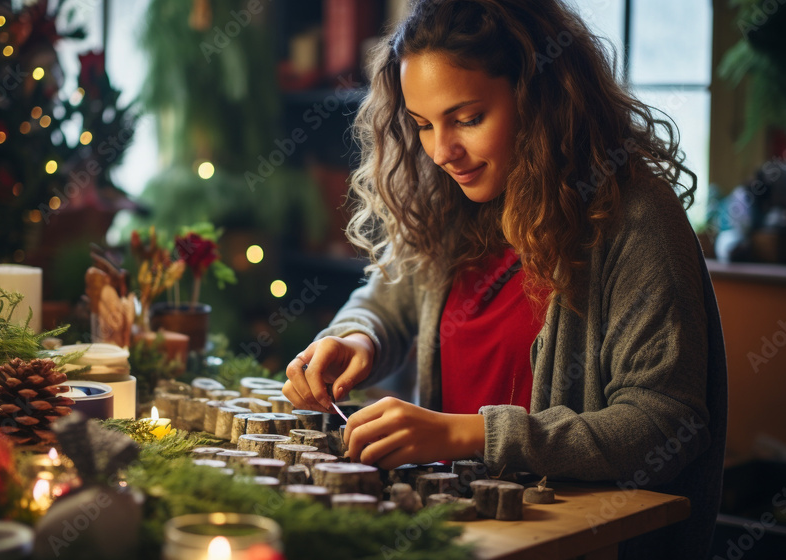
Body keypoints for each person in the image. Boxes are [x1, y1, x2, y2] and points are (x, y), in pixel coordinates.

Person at [281, 1, 727, 558]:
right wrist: (353, 339)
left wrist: (464, 434)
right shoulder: (449, 199)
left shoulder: (633, 215)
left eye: (467, 119)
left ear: (538, 97)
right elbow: (387, 301)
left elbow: (664, 423)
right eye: (423, 125)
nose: (443, 152)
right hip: (463, 536)